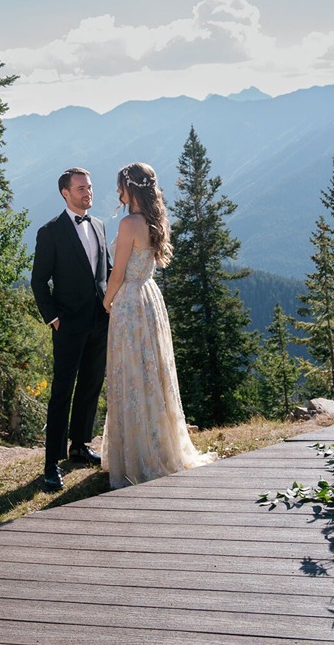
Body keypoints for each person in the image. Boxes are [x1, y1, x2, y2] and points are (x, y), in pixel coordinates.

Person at [102, 161, 216, 488]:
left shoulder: (128, 224)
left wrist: (107, 301)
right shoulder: (154, 221)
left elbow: (118, 272)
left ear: (130, 187)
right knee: (152, 373)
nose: (116, 192)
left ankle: (136, 455)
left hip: (130, 301)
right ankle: (157, 442)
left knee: (131, 372)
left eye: (119, 186)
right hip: (150, 298)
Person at [31, 167, 111, 491]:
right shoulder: (50, 231)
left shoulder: (101, 225)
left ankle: (79, 446)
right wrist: (53, 318)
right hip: (67, 324)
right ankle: (51, 463)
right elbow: (39, 281)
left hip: (100, 320)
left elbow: (104, 270)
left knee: (91, 385)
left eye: (89, 187)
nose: (87, 192)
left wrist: (111, 304)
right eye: (80, 188)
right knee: (62, 393)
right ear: (65, 192)